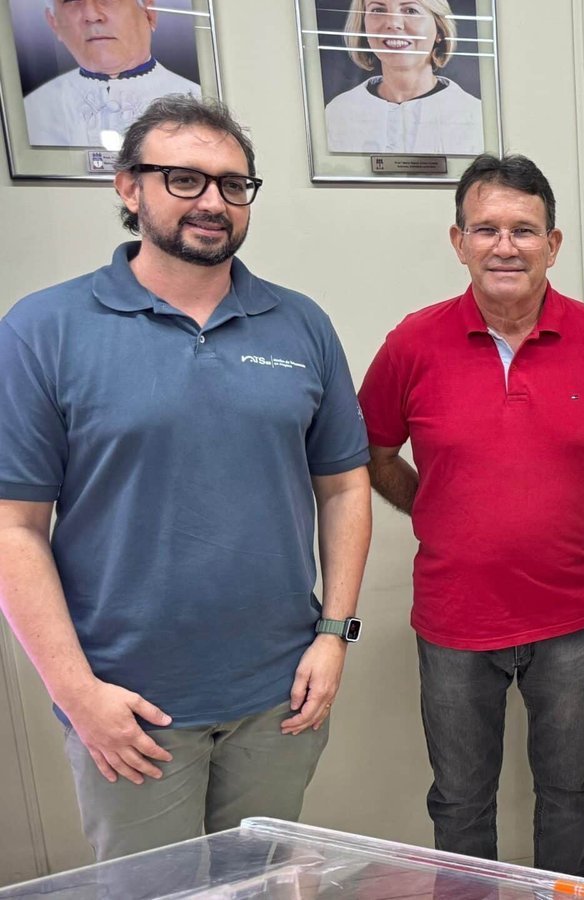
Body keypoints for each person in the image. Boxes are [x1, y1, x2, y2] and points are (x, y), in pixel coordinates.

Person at [0, 95, 372, 861]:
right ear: (128, 188)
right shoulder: (44, 331)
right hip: (130, 707)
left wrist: (334, 635)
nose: (212, 202)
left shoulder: (301, 324)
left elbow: (343, 487)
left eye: (234, 185)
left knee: (261, 882)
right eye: (184, 179)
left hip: (279, 696)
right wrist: (77, 694)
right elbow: (14, 528)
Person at [357, 154, 584, 874]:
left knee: (570, 792)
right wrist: (439, 510)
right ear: (459, 242)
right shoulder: (411, 344)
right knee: (460, 800)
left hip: (572, 612)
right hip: (455, 617)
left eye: (524, 229)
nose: (505, 246)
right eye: (486, 229)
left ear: (554, 243)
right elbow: (374, 452)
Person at [21, 0, 202, 148]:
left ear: (149, 12)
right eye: (72, 0)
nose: (92, 15)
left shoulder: (201, 103)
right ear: (53, 22)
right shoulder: (31, 112)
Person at [324, 0, 483, 155]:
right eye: (378, 10)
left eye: (411, 10)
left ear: (439, 31)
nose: (393, 23)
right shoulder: (338, 112)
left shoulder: (476, 117)